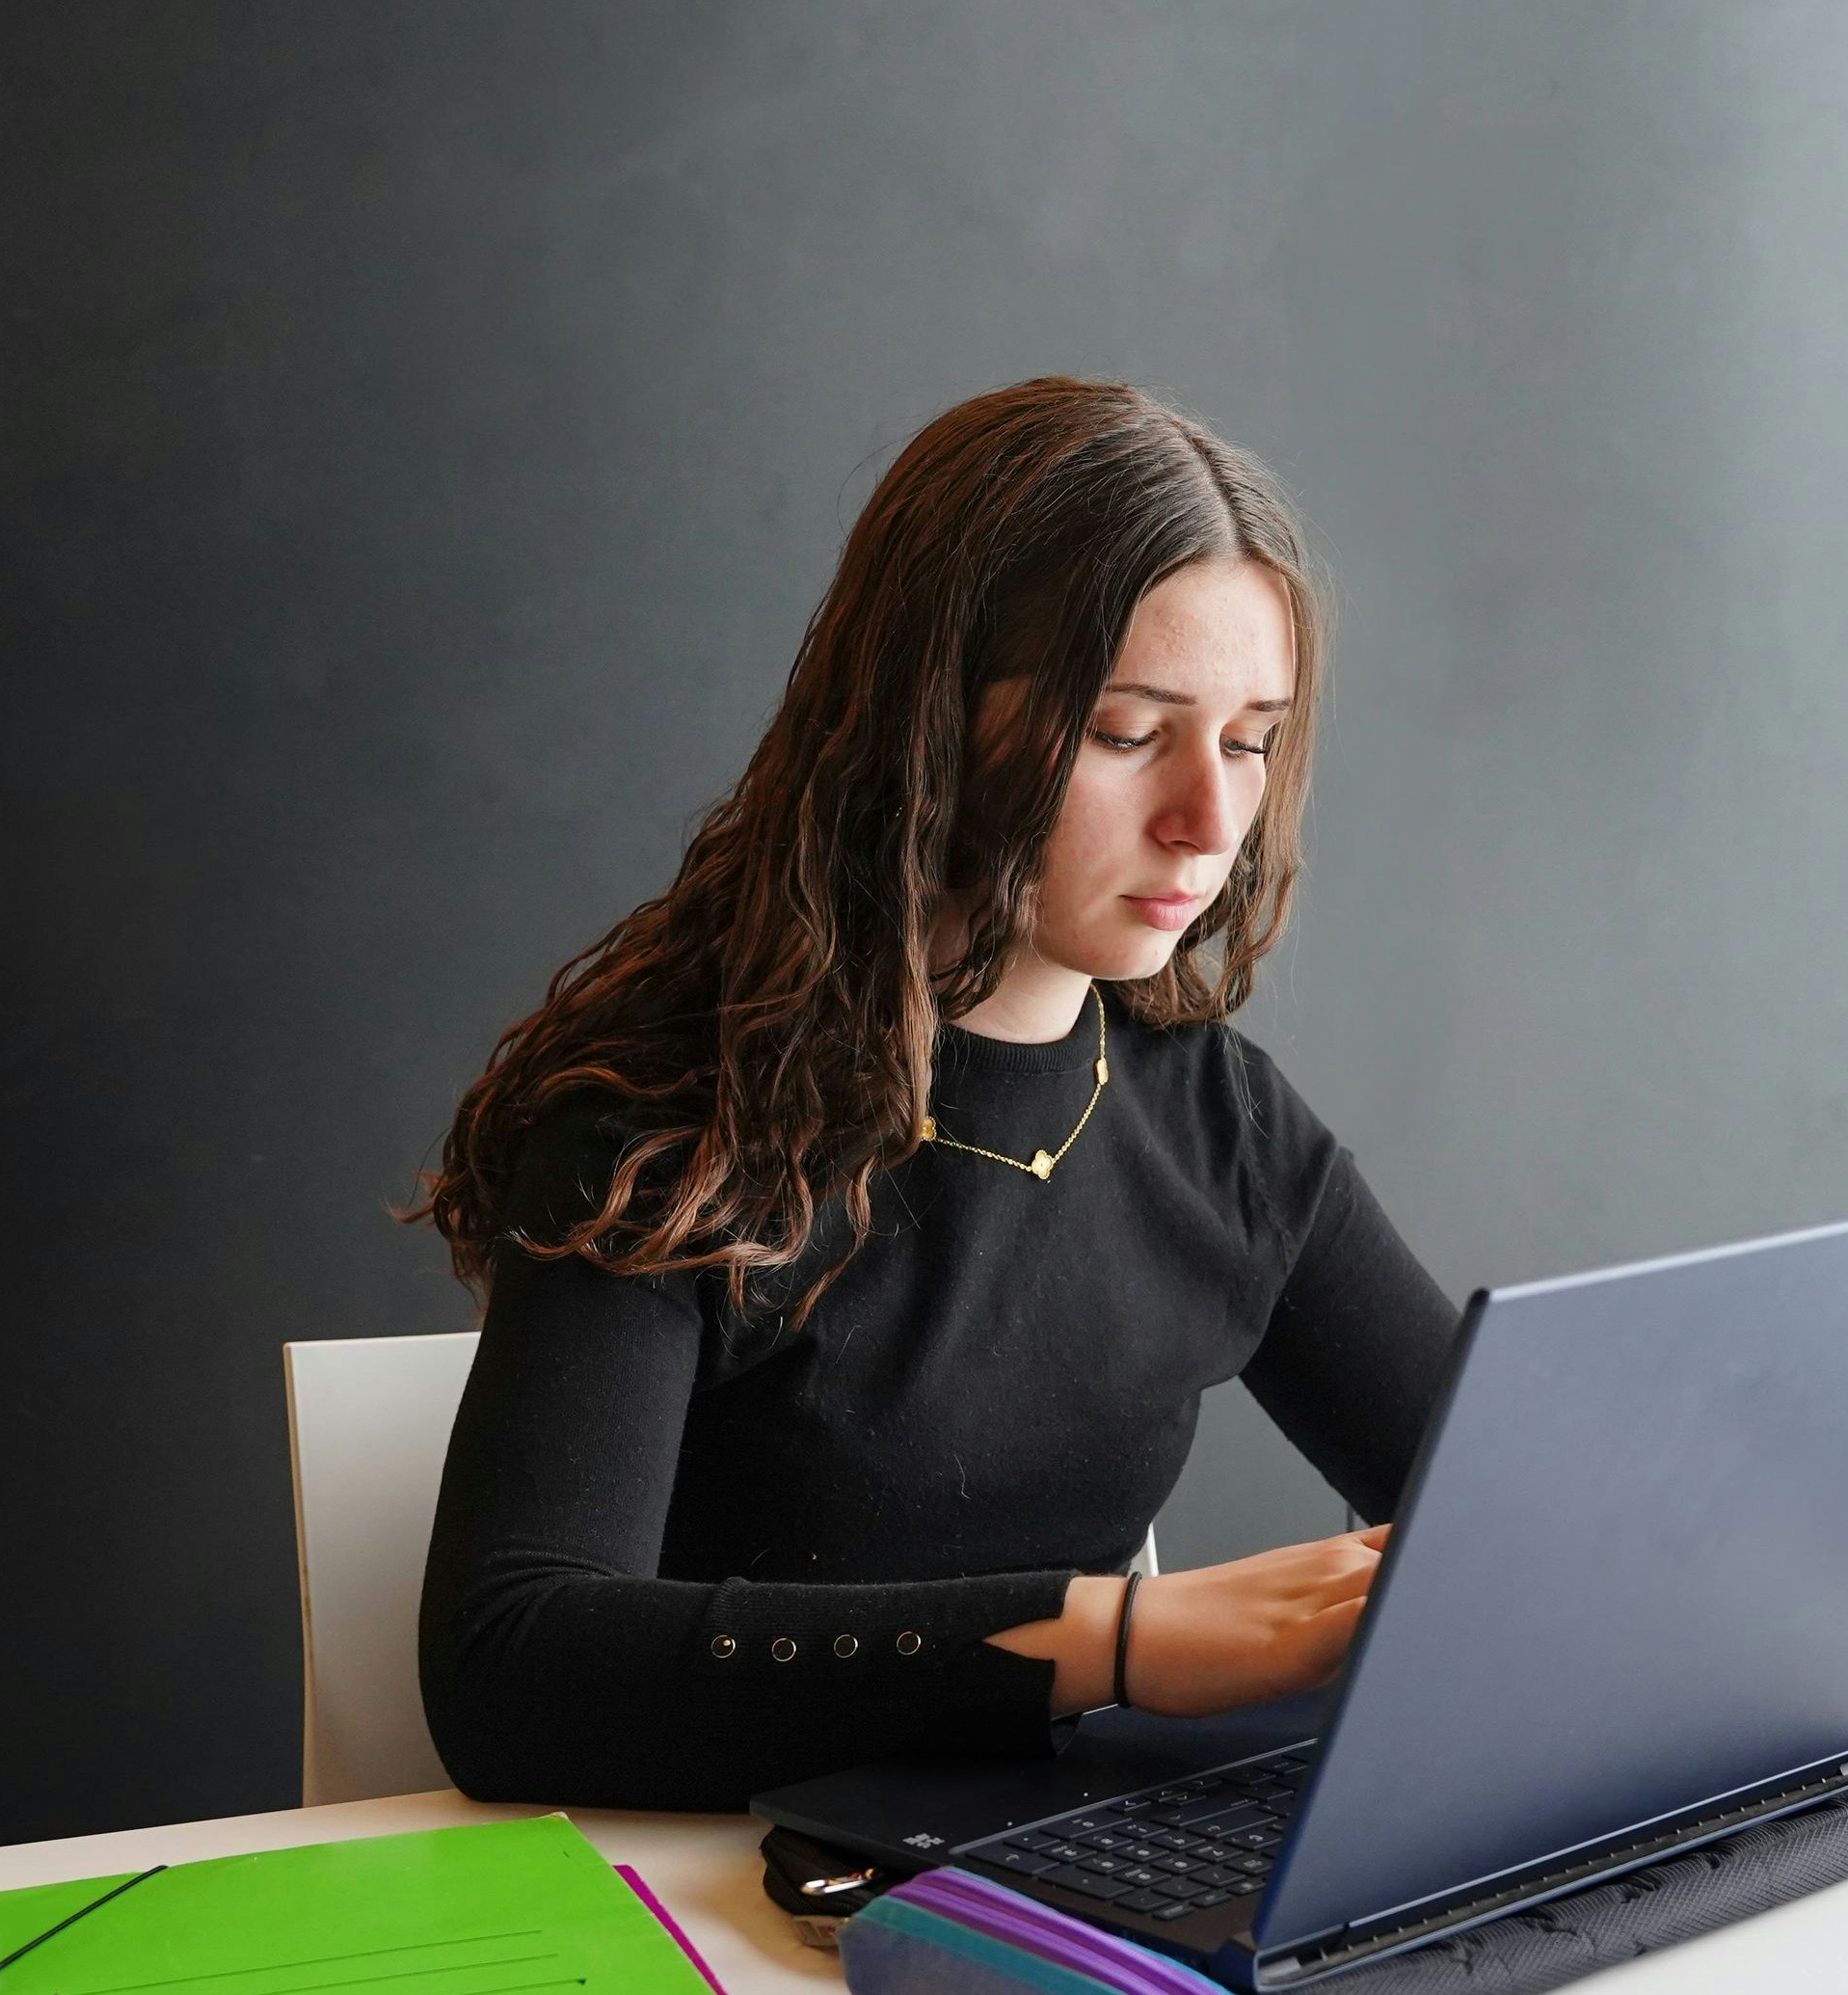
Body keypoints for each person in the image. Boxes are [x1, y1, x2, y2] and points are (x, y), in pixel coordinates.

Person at [413, 377, 1460, 1810]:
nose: (1210, 822)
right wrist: (1113, 1637)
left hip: (1032, 1886)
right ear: (933, 717)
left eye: (1249, 740)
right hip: (686, 1921)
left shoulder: (1224, 1128)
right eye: (1125, 731)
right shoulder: (667, 1124)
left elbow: (1495, 1506)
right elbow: (511, 1673)